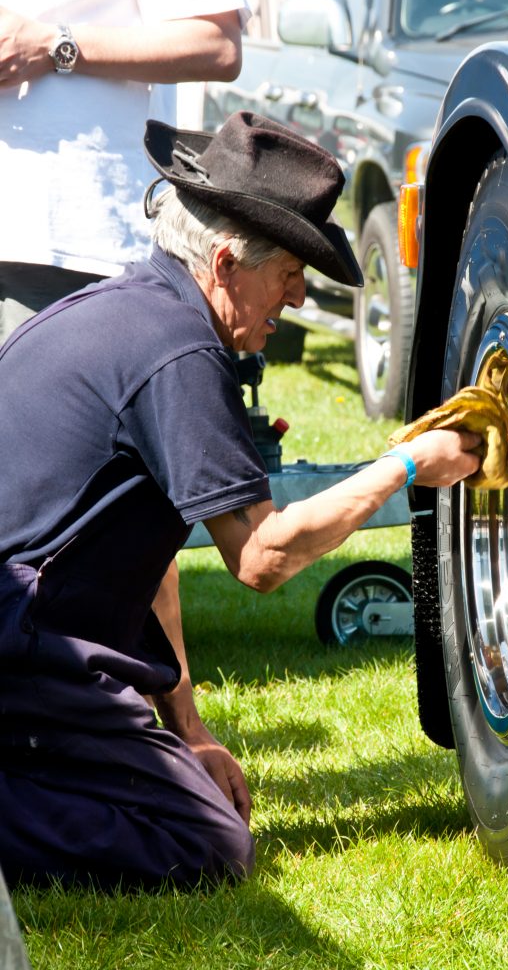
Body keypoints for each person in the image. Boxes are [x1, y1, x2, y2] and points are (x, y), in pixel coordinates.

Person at [0, 110, 482, 889]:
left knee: (192, 802)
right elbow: (260, 557)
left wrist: (188, 728)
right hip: (24, 652)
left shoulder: (138, 311)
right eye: (290, 273)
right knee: (202, 844)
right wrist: (404, 465)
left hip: (32, 639)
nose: (295, 299)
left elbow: (150, 564)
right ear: (226, 262)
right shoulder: (181, 351)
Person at [0, 0, 248, 699]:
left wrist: (55, 45)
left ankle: (156, 721)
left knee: (121, 506)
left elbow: (219, 43)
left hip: (71, 240)